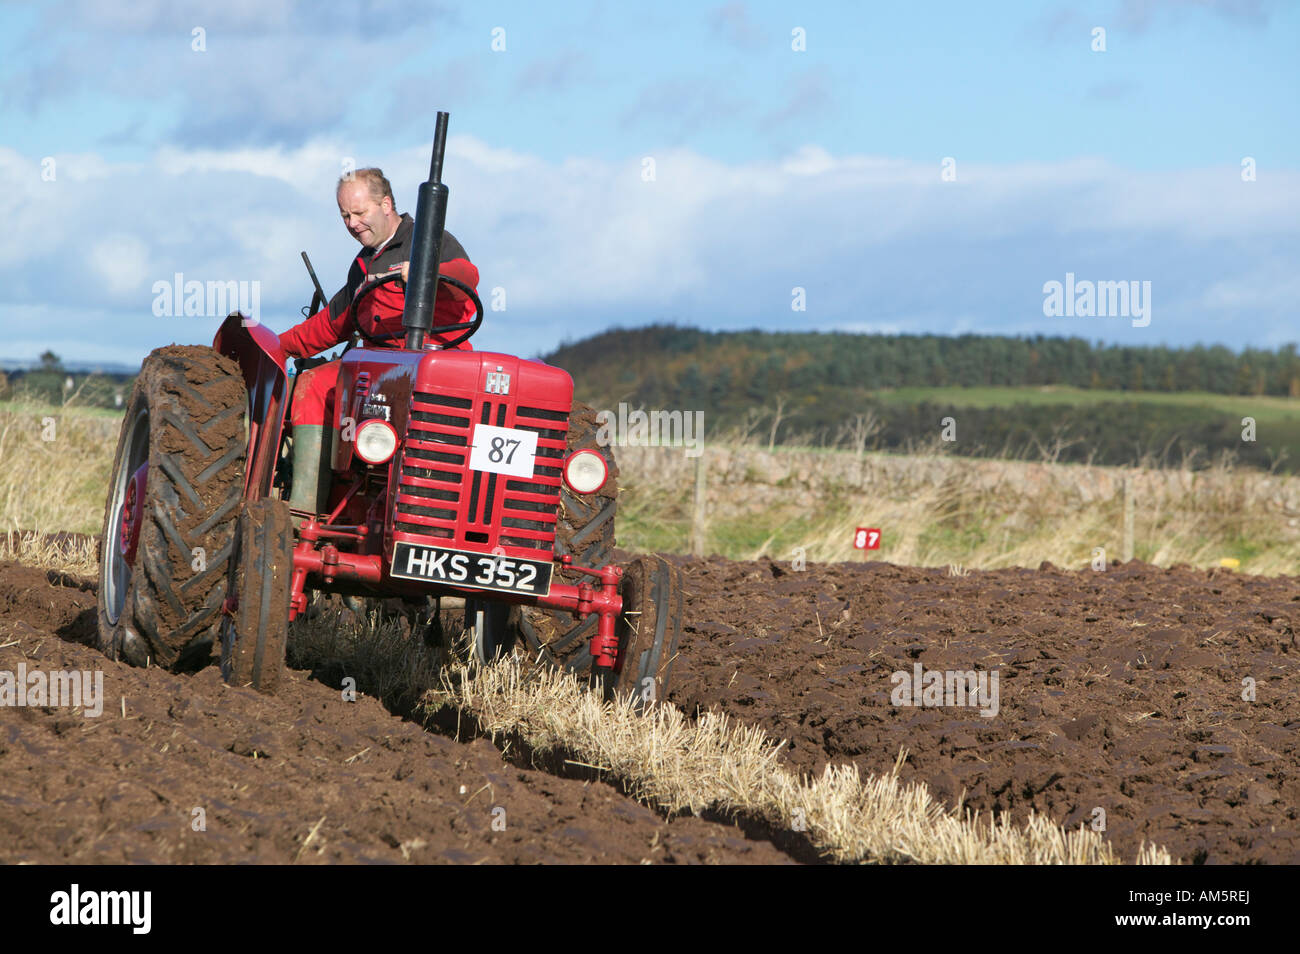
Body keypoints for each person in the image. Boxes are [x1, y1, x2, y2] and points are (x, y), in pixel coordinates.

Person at [280, 167, 479, 514]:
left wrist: (429, 272)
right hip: (375, 370)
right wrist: (275, 346)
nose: (352, 223)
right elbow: (331, 323)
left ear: (386, 204)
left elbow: (466, 279)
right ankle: (305, 511)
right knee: (313, 383)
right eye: (345, 215)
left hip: (435, 366)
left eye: (360, 213)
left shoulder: (432, 241)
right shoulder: (363, 263)